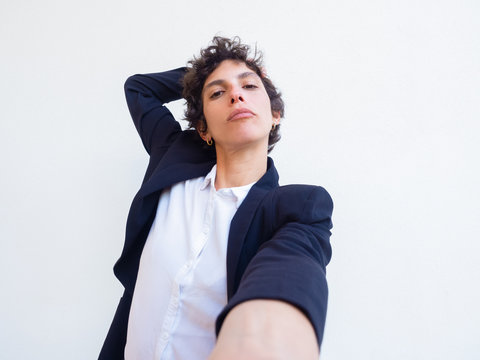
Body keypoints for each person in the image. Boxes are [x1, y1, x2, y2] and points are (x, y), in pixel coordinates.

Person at [99, 36, 333, 360]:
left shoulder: (295, 211)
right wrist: (202, 73)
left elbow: (287, 276)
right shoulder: (172, 157)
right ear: (203, 129)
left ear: (275, 114)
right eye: (218, 92)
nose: (236, 94)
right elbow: (139, 89)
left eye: (250, 86)